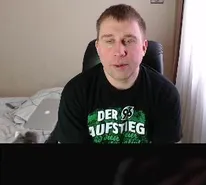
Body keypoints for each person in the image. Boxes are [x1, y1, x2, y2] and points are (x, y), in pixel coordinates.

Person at [52, 4, 181, 144]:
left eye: (129, 41)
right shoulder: (75, 92)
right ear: (98, 48)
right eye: (109, 41)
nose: (119, 51)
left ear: (144, 48)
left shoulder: (166, 94)